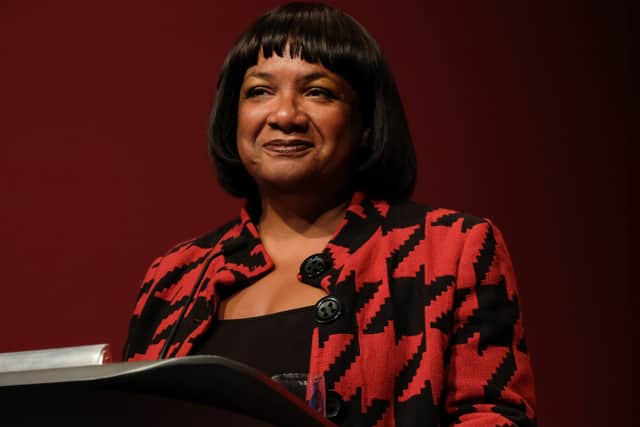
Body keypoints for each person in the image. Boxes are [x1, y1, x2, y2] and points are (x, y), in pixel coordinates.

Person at [123, 2, 536, 426]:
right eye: (259, 91)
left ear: (367, 124)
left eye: (317, 91)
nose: (284, 115)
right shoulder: (174, 277)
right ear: (234, 118)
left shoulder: (452, 249)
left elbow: (494, 418)